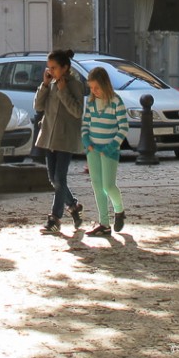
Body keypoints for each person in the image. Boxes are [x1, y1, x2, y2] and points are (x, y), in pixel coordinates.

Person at [34, 49, 85, 235]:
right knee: (53, 179)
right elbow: (38, 106)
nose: (51, 71)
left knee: (59, 178)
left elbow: (77, 111)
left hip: (65, 138)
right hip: (49, 137)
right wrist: (45, 85)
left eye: (54, 68)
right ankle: (73, 205)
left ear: (65, 67)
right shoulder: (52, 83)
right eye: (49, 68)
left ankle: (55, 218)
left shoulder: (75, 84)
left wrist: (64, 91)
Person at [81, 67, 129, 237]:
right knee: (97, 185)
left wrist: (111, 147)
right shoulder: (91, 102)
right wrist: (86, 142)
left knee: (108, 185)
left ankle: (119, 210)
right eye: (91, 88)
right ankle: (103, 223)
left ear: (105, 85)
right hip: (93, 149)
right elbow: (85, 125)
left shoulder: (116, 101)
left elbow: (123, 127)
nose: (94, 91)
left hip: (109, 151)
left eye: (97, 88)